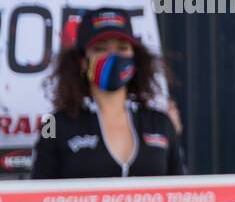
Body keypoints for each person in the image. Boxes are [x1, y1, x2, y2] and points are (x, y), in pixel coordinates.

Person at [31, 9, 185, 179]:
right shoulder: (52, 124)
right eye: (101, 48)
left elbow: (180, 193)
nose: (113, 56)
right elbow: (37, 194)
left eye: (122, 48)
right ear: (82, 62)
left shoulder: (161, 123)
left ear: (134, 58)